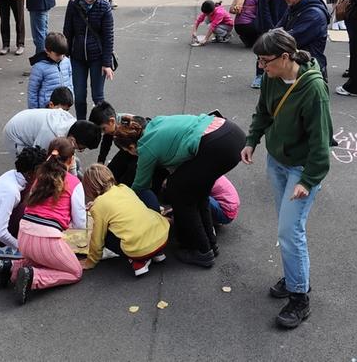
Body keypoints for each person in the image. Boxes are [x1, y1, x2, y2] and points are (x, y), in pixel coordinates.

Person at [242, 29, 333, 329]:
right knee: (287, 227)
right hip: (277, 162)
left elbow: (321, 145)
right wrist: (251, 140)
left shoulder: (313, 90)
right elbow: (263, 113)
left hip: (302, 168)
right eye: (259, 61)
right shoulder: (271, 76)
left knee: (290, 230)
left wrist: (307, 181)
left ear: (285, 57)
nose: (261, 67)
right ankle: (295, 276)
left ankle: (299, 298)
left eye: (265, 61)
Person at [115, 113, 244, 268]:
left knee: (180, 192)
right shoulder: (155, 123)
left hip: (215, 144)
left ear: (131, 146)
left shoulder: (145, 147)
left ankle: (202, 252)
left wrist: (120, 199)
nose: (131, 154)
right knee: (199, 193)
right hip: (230, 133)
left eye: (128, 151)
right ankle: (210, 244)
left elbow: (140, 185)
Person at [0, 138, 87, 305]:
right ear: (71, 159)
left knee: (41, 259)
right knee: (75, 272)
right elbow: (80, 223)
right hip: (48, 240)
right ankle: (34, 278)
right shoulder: (74, 183)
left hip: (24, 237)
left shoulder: (39, 177)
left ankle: (11, 268)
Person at [80, 164, 170, 277]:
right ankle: (157, 253)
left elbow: (97, 239)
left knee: (103, 233)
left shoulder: (99, 205)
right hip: (162, 238)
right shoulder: (124, 188)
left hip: (141, 251)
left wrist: (90, 262)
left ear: (90, 188)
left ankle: (139, 262)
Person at [0, 146, 48, 254]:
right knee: (27, 208)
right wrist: (19, 246)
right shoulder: (11, 192)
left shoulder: (12, 174)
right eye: (42, 170)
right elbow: (0, 232)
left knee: (31, 191)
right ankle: (14, 244)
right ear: (34, 171)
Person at [62, 0, 115, 120]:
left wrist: (106, 64)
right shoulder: (73, 5)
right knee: (79, 96)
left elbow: (108, 37)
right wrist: (64, 57)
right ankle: (81, 125)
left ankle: (102, 126)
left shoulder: (104, 7)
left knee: (98, 96)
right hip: (77, 57)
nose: (90, 0)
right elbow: (68, 32)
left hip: (97, 58)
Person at [272, 0, 330, 78]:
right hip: (295, 67)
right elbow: (277, 30)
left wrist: (270, 38)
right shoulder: (295, 5)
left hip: (308, 71)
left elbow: (287, 40)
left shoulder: (314, 14)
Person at [253, 0, 290, 88]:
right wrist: (269, 27)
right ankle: (259, 75)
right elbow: (263, 6)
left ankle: (276, 74)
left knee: (279, 50)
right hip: (269, 20)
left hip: (281, 17)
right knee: (264, 49)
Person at [2, 103, 102, 155]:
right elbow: (37, 157)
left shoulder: (72, 124)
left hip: (26, 121)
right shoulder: (50, 136)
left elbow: (70, 157)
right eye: (81, 148)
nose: (79, 150)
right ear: (73, 140)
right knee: (32, 168)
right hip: (14, 135)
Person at [28, 33, 73, 109]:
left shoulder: (66, 61)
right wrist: (34, 110)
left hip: (63, 105)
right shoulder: (39, 67)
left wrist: (71, 96)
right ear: (47, 51)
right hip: (47, 107)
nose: (61, 57)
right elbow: (33, 91)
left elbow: (70, 79)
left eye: (63, 54)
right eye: (58, 55)